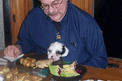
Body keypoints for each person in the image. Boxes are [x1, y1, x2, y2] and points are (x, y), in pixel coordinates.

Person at [4, 0, 108, 68]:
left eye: (55, 3)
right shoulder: (33, 17)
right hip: (42, 74)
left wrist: (77, 71)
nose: (51, 10)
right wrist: (18, 48)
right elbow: (27, 42)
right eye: (45, 5)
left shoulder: (86, 23)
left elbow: (100, 60)